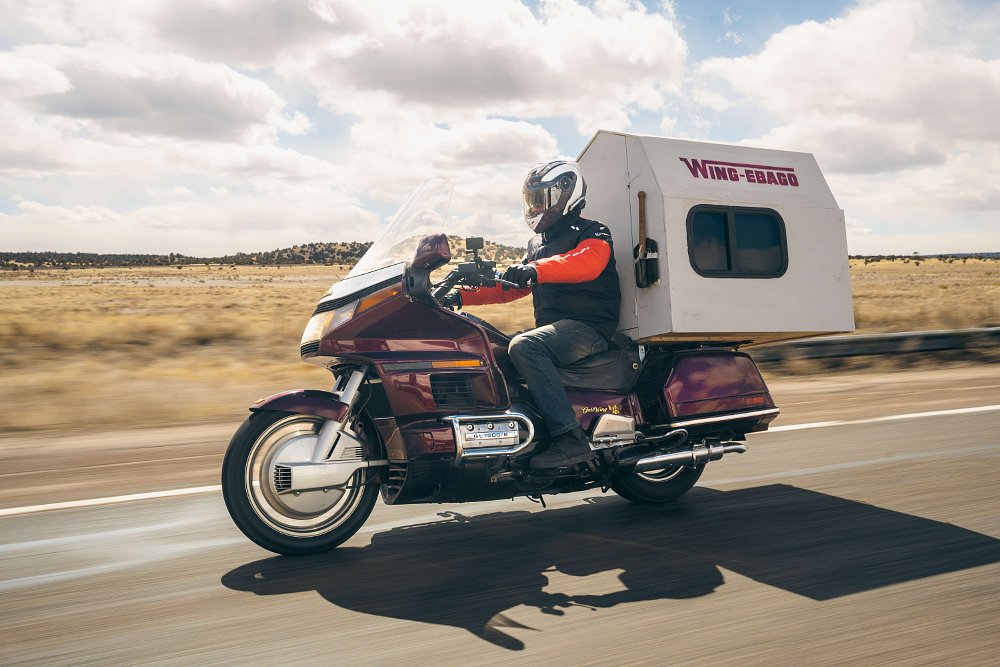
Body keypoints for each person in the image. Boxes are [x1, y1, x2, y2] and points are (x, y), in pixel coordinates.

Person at [445, 161, 622, 468]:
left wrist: (534, 269)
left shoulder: (594, 232)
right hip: (555, 328)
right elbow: (510, 288)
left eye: (540, 199)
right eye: (531, 200)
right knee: (489, 346)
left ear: (565, 195)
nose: (535, 207)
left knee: (526, 346)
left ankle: (570, 439)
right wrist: (460, 296)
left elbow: (586, 263)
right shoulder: (537, 244)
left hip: (589, 328)